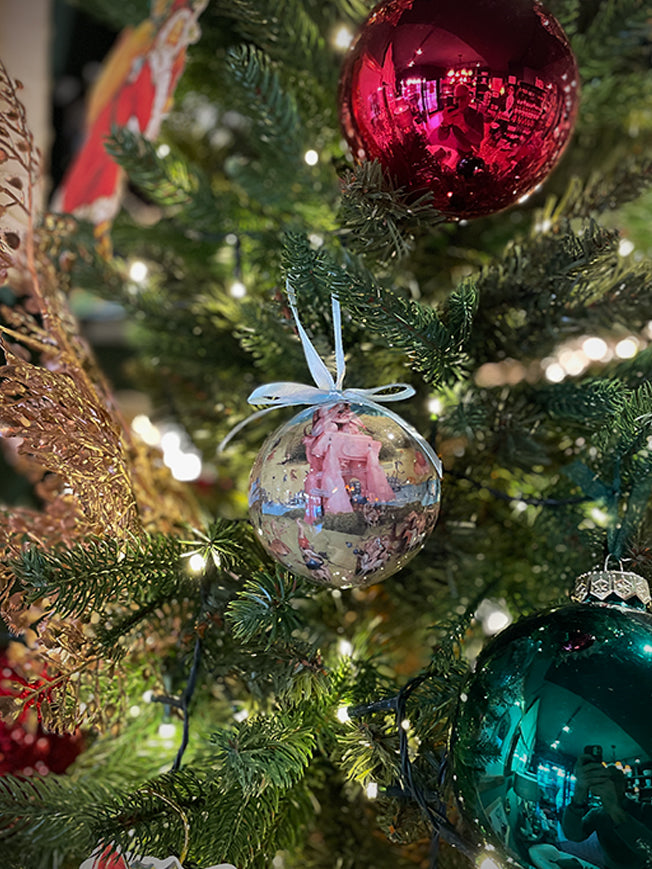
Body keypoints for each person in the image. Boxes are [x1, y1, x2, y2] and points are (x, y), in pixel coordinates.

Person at [561, 754, 652, 869]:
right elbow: (574, 835)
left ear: (625, 784)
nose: (610, 785)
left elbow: (649, 849)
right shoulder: (597, 814)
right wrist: (579, 794)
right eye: (605, 780)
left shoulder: (645, 809)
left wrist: (614, 809)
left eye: (615, 780)